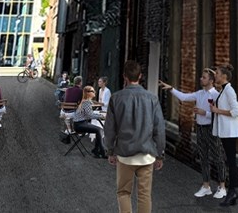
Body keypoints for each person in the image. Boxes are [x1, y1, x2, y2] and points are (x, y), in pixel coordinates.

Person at [104, 60, 166, 213]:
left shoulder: (116, 98)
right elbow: (160, 129)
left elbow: (110, 128)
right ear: (140, 76)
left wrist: (110, 150)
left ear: (124, 76)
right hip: (146, 154)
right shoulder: (152, 99)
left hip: (125, 154)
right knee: (144, 195)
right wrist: (160, 154)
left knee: (124, 193)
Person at [160, 69, 226, 199]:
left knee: (218, 157)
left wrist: (204, 113)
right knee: (204, 157)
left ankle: (222, 186)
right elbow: (184, 97)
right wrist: (171, 88)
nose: (201, 79)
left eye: (204, 77)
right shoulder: (200, 93)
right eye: (202, 77)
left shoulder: (216, 95)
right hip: (200, 128)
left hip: (212, 129)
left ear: (211, 81)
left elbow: (220, 114)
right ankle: (206, 186)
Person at [212, 64, 238, 206]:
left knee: (231, 162)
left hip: (230, 132)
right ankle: (234, 191)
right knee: (230, 161)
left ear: (224, 76)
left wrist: (217, 110)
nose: (215, 75)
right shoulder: (223, 91)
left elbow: (236, 111)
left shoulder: (229, 91)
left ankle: (234, 191)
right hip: (225, 132)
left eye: (217, 73)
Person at [72, 85, 107, 157]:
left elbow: (89, 114)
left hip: (80, 123)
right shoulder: (86, 102)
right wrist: (102, 116)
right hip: (79, 125)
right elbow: (90, 116)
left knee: (99, 129)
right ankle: (102, 151)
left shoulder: (86, 101)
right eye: (92, 91)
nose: (94, 92)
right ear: (88, 93)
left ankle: (96, 150)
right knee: (99, 130)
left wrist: (99, 115)